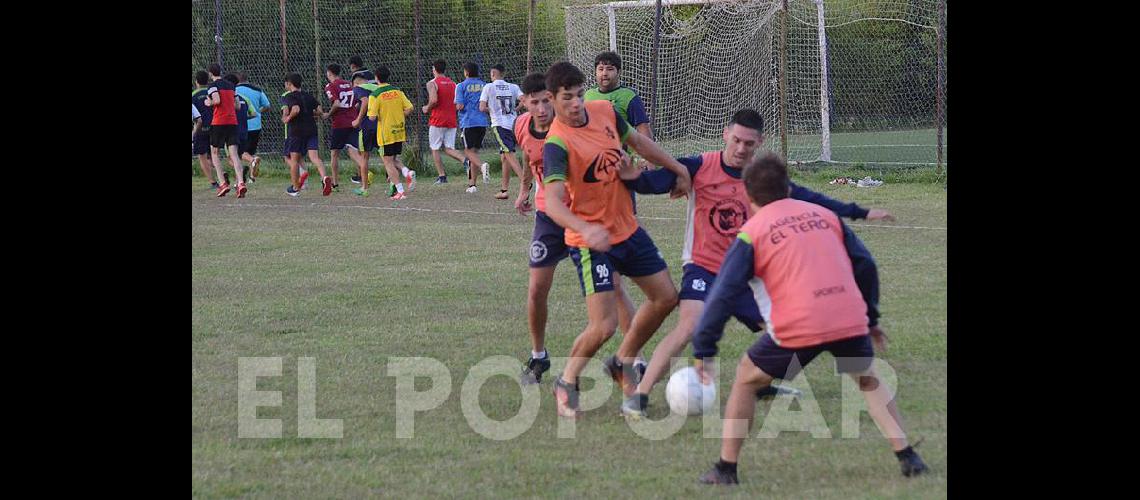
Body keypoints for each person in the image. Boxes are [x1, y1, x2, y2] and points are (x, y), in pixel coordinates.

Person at [618, 109, 895, 418]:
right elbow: (657, 182)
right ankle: (639, 397)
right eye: (736, 140)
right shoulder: (699, 165)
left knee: (790, 332)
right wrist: (634, 179)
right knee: (689, 327)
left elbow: (812, 199)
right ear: (725, 134)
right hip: (704, 269)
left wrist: (860, 211)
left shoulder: (762, 181)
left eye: (748, 144)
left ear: (759, 143)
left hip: (750, 276)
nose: (740, 149)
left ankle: (762, 382)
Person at [690, 152, 928, 485]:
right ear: (788, 187)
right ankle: (908, 456)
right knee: (866, 378)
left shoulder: (750, 233)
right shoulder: (825, 216)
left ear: (747, 193)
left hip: (800, 325)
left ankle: (726, 468)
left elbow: (722, 295)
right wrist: (870, 318)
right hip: (846, 318)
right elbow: (865, 265)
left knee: (746, 377)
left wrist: (704, 349)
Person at [539, 61, 693, 418]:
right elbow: (554, 203)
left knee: (666, 297)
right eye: (568, 98)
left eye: (579, 95)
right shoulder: (557, 144)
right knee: (604, 325)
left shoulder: (604, 109)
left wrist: (678, 169)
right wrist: (586, 227)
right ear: (552, 99)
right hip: (589, 240)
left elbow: (639, 142)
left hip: (627, 229)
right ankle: (566, 380)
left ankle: (623, 361)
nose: (577, 103)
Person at [513, 73, 645, 386]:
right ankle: (538, 355)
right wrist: (523, 190)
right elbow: (530, 160)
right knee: (536, 289)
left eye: (547, 100)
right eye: (536, 103)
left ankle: (635, 359)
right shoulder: (521, 127)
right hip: (549, 217)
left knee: (615, 285)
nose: (543, 108)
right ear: (524, 103)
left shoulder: (573, 125)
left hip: (587, 214)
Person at [366, 65, 417, 200]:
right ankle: (407, 172)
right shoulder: (397, 91)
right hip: (399, 130)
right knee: (393, 159)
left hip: (386, 133)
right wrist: (398, 115)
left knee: (387, 162)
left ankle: (400, 191)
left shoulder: (375, 95)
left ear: (376, 78)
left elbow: (371, 117)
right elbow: (410, 108)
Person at [479, 64, 527, 200]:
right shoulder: (513, 87)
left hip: (500, 124)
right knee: (504, 157)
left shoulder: (488, 87)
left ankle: (525, 180)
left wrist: (494, 111)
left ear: (493, 74)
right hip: (514, 124)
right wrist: (515, 110)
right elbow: (524, 100)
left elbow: (482, 107)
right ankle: (504, 190)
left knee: (508, 153)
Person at [281, 72, 332, 197]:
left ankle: (295, 187)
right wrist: (320, 115)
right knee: (314, 157)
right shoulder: (308, 96)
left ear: (289, 84)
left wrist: (287, 118)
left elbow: (296, 109)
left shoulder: (290, 97)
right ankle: (324, 177)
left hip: (297, 131)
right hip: (311, 129)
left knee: (294, 160)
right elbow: (319, 109)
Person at [204, 63, 246, 198]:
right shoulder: (231, 85)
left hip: (219, 122)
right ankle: (240, 183)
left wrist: (208, 103)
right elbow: (238, 106)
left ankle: (223, 183)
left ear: (210, 73)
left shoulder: (212, 86)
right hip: (232, 121)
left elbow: (216, 100)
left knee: (215, 153)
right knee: (234, 153)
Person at [422, 59, 466, 184]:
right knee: (448, 148)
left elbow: (434, 100)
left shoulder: (432, 83)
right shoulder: (453, 84)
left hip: (437, 119)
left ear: (434, 69)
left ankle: (442, 176)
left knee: (435, 148)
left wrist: (427, 108)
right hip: (451, 119)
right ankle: (466, 161)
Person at [323, 63, 360, 192]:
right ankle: (364, 174)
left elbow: (337, 103)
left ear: (329, 73)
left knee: (334, 154)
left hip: (339, 123)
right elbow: (356, 103)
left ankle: (335, 183)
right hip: (353, 121)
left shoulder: (330, 86)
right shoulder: (349, 84)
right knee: (353, 151)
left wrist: (329, 114)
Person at [454, 62, 491, 193]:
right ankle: (472, 185)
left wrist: (458, 105)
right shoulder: (484, 85)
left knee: (468, 152)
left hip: (468, 122)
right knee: (473, 153)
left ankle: (482, 167)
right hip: (482, 122)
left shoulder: (461, 86)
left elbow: (459, 106)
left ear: (466, 72)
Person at [236, 72, 271, 179]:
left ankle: (252, 161)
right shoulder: (257, 90)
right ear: (247, 79)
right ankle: (252, 177)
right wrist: (258, 111)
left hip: (241, 125)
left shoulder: (234, 90)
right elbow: (267, 105)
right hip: (256, 125)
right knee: (250, 151)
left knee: (240, 152)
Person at [192, 71, 218, 189]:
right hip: (214, 126)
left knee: (202, 155)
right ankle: (222, 174)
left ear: (196, 81)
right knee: (214, 153)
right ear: (208, 81)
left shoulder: (193, 95)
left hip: (200, 128)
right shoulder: (211, 92)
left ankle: (213, 182)